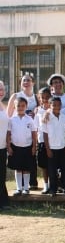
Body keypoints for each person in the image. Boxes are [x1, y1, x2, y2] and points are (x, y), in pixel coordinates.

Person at [7, 74, 39, 189]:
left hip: (31, 132)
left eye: (29, 80)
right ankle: (20, 187)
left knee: (29, 162)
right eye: (24, 80)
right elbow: (8, 114)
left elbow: (39, 112)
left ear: (33, 83)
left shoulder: (36, 97)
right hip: (16, 132)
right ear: (21, 83)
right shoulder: (16, 96)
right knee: (18, 165)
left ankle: (31, 185)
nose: (26, 82)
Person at [43, 97, 65, 196]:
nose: (56, 107)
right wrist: (48, 149)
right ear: (50, 106)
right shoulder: (46, 117)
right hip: (52, 148)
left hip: (63, 147)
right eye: (54, 105)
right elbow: (45, 135)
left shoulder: (64, 117)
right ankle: (53, 189)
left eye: (58, 105)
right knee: (52, 171)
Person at [34, 87, 52, 194]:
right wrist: (36, 143)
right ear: (39, 98)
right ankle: (46, 186)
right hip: (42, 142)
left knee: (52, 166)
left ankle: (52, 184)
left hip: (53, 142)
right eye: (43, 98)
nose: (45, 100)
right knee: (44, 166)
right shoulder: (38, 111)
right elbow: (36, 129)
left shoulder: (54, 109)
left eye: (47, 97)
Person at [0, 81, 10, 209]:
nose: (0, 91)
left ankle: (3, 201)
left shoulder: (3, 105)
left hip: (2, 146)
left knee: (1, 175)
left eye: (2, 89)